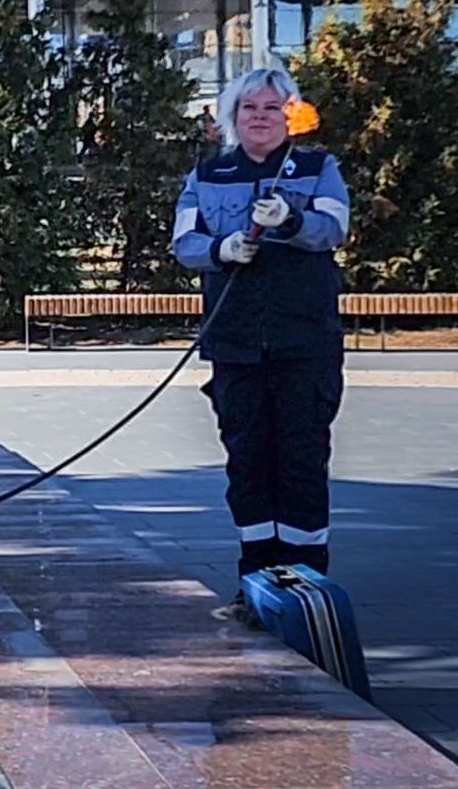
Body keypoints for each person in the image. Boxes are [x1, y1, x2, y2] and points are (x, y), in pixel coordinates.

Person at [170, 65, 351, 617]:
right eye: (249, 108)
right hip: (236, 345)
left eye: (273, 108)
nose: (260, 118)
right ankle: (255, 588)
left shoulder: (318, 168)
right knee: (247, 465)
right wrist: (222, 249)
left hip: (303, 344)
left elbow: (334, 228)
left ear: (290, 115)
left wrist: (292, 220)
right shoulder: (208, 174)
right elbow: (184, 240)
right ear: (232, 117)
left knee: (300, 463)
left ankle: (304, 592)